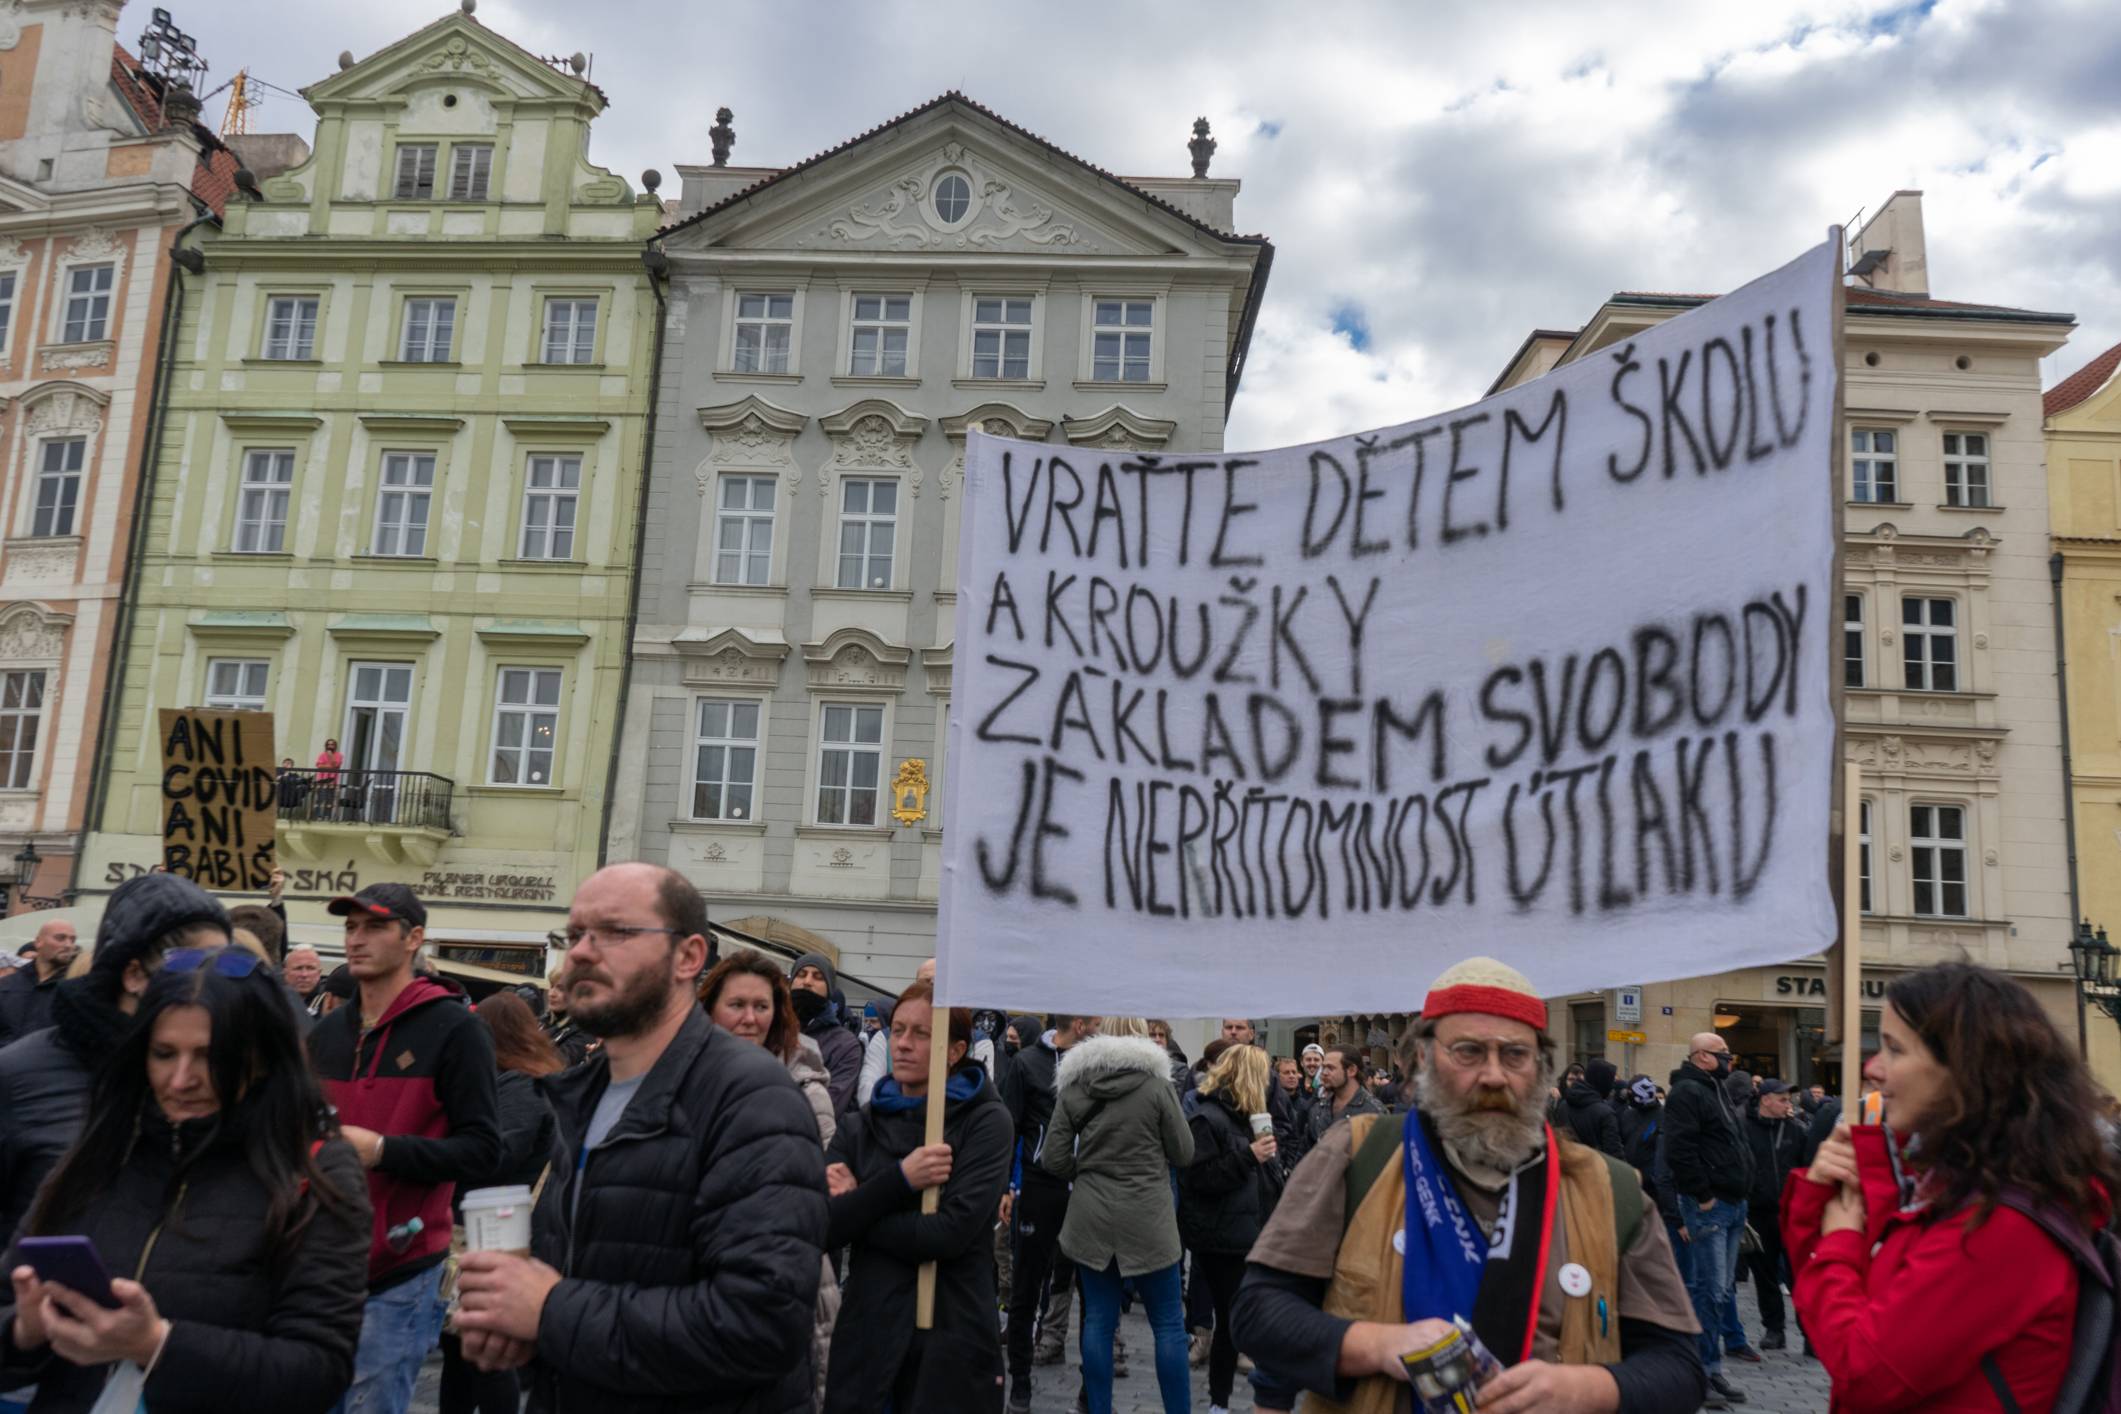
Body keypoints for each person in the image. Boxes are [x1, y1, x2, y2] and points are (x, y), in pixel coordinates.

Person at [1232, 957, 1706, 1414]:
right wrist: (1375, 1345)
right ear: (1423, 1058)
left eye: (1515, 1054)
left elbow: (1680, 1369)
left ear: (1540, 1067)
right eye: (1469, 1052)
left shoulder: (1611, 1190)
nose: (1494, 1075)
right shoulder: (1357, 1155)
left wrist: (1590, 1387)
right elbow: (1259, 1312)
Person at [453, 863, 826, 1414]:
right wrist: (520, 1329)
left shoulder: (752, 1099)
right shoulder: (583, 1093)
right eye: (575, 934)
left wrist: (550, 1309)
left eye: (616, 932)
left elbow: (762, 1325)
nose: (581, 952)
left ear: (689, 957)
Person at [0, 947, 370, 1412]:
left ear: (263, 1057)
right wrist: (24, 1329)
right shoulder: (100, 1149)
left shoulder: (316, 1168)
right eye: (163, 1053)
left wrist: (157, 1343)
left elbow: (319, 1371)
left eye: (210, 1056)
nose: (180, 1080)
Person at [1786, 964, 2119, 1411]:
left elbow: (1864, 1369)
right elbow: (1842, 1300)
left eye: (1894, 1049)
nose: (1872, 1068)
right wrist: (1821, 1196)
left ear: (1965, 1069)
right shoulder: (1951, 1185)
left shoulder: (1999, 1221)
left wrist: (1842, 1237)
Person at [308, 884, 501, 1414]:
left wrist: (385, 1150)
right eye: (350, 927)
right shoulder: (323, 1035)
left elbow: (484, 1149)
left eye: (373, 926)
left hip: (401, 1268)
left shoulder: (457, 1030)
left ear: (413, 938)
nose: (356, 939)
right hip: (317, 1267)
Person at [0, 876, 229, 1247]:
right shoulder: (19, 1075)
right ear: (134, 974)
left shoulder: (227, 1073)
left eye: (225, 966)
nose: (214, 986)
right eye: (195, 965)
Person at [822, 980, 1012, 1411]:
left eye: (921, 1034)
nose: (902, 1044)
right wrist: (898, 1181)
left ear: (955, 1050)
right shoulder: (862, 1124)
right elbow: (821, 1225)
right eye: (898, 1031)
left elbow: (949, 1234)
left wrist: (861, 1205)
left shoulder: (986, 1122)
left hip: (950, 1335)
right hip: (868, 1333)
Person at [699, 951, 840, 1409]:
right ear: (710, 1008)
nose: (749, 1018)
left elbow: (819, 1178)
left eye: (761, 1006)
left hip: (782, 1267)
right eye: (736, 1005)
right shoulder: (683, 1075)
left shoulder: (804, 1084)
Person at [1040, 1016, 1193, 1414]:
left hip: (1091, 1214)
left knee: (1098, 1322)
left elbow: (1054, 1158)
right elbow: (1184, 1152)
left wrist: (1087, 1174)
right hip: (1149, 1215)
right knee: (1168, 1324)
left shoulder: (1075, 1084)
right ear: (1142, 1036)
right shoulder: (1158, 1086)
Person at [437, 992, 561, 1414]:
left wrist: (446, 1151)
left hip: (495, 1231)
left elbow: (497, 1155)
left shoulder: (522, 1086)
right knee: (461, 1350)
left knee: (487, 1357)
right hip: (485, 1228)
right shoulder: (514, 1081)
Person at [1179, 1043, 1283, 1414]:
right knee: (1233, 1320)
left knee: (1237, 1320)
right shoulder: (1208, 1117)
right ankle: (1220, 1402)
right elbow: (1199, 1178)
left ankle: (1222, 1400)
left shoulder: (1249, 1117)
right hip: (1221, 1238)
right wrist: (1247, 1157)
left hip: (1249, 1232)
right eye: (1264, 1074)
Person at [1000, 1013, 1097, 1409]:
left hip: (1089, 1187)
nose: (1100, 1026)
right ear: (1078, 1021)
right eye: (1094, 1020)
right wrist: (1008, 1185)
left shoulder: (1097, 1062)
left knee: (1093, 1293)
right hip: (1040, 1187)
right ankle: (1020, 1382)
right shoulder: (1028, 1063)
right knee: (1026, 1286)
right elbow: (1011, 1125)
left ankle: (1091, 1388)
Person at [1663, 1029, 1757, 1404]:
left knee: (1721, 1291)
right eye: (1723, 1053)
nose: (1729, 1059)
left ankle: (1712, 1369)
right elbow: (1679, 1148)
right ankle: (1699, 1372)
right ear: (1702, 1056)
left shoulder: (1712, 1087)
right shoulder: (1688, 1092)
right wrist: (1701, 1196)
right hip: (1711, 1206)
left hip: (1733, 1204)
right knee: (1709, 1290)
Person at [1738, 1079, 1801, 1354]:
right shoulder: (1744, 1129)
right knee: (1764, 1274)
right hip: (1758, 1211)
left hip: (1791, 1212)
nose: (1789, 1104)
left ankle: (1811, 1333)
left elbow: (1806, 1165)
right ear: (1766, 1100)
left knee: (1799, 1274)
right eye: (1783, 1099)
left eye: (1789, 1099)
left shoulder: (1796, 1130)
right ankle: (1774, 1329)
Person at [1285, 1043, 1385, 1174]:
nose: (1323, 1073)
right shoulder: (1318, 1109)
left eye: (1330, 1068)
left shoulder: (1373, 1111)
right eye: (1324, 1067)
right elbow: (1304, 1153)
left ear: (1351, 1070)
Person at [788, 953, 864, 1118]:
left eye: (818, 977)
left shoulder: (845, 1045)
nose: (807, 982)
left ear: (829, 989)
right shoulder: (770, 1028)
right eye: (801, 975)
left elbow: (830, 1104)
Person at [0, 921, 75, 1047]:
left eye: (72, 940)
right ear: (38, 942)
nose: (68, 945)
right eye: (60, 938)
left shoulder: (75, 988)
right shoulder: (8, 985)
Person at [1557, 1058, 1626, 1158]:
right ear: (1602, 1082)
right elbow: (1614, 1152)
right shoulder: (1606, 1113)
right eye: (1610, 1082)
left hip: (1567, 1166)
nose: (1611, 1087)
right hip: (1594, 1169)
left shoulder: (1563, 1105)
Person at [540, 972, 591, 1067]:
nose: (551, 994)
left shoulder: (583, 1032)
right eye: (551, 986)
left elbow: (555, 1065)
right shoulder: (543, 1021)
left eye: (561, 989)